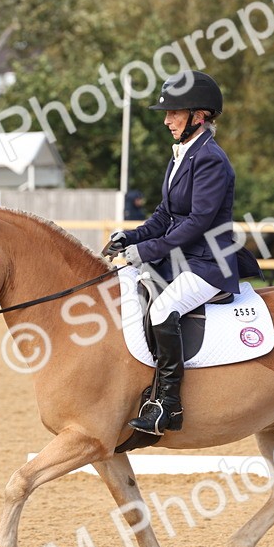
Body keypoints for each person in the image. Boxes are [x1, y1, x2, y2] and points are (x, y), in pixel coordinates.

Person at [102, 71, 261, 435]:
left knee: (161, 309)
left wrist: (147, 250)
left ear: (198, 116)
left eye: (174, 113)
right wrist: (131, 236)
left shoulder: (210, 159)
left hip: (208, 264)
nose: (166, 120)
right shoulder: (181, 155)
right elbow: (165, 214)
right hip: (182, 259)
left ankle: (168, 406)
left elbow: (199, 221)